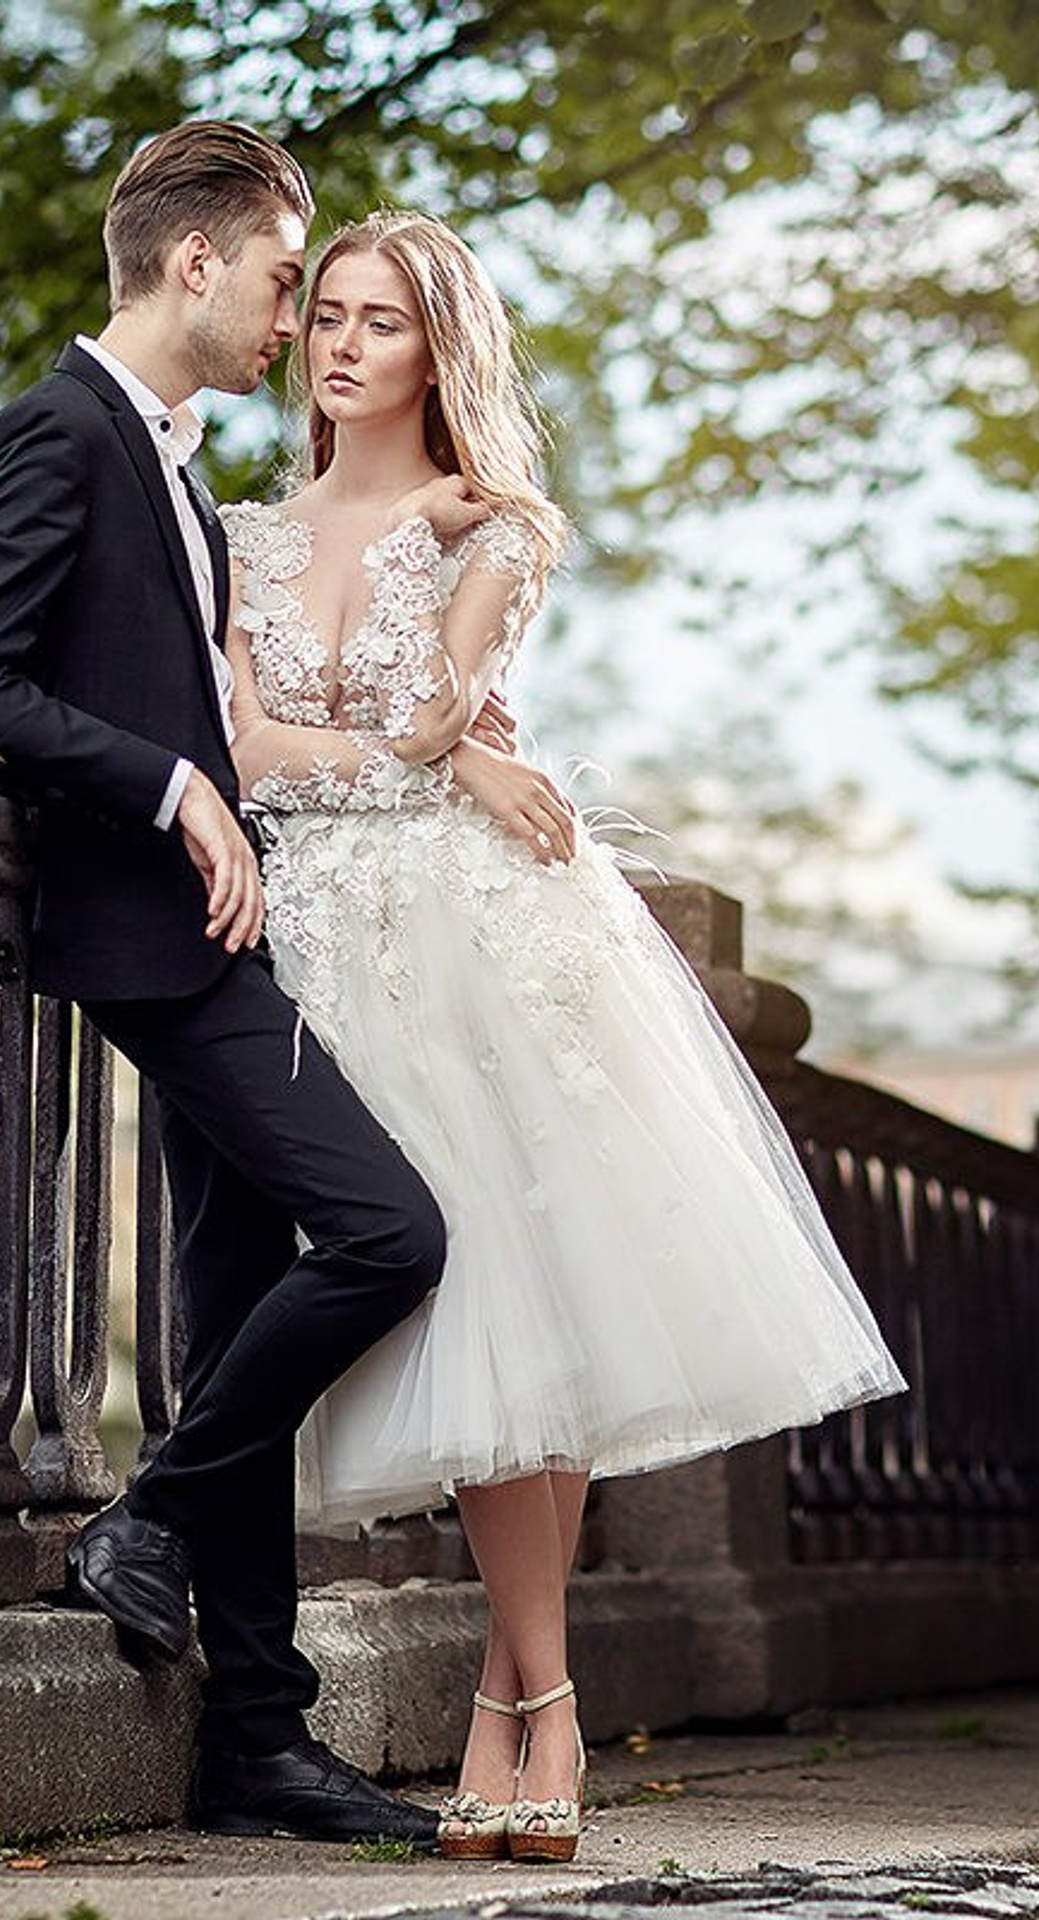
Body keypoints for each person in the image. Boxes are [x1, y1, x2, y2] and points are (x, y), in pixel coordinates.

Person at [219, 208, 907, 1865]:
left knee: (531, 1288)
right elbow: (252, 747)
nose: (341, 344)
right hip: (334, 936)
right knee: (442, 1290)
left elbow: (425, 717)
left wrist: (417, 709)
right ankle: (535, 1689)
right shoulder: (234, 530)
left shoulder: (501, 527)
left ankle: (524, 1697)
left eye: (383, 322)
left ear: (437, 348)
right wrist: (423, 747)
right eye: (327, 313)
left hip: (493, 928)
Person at [0, 122, 496, 1847]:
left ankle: (258, 1737)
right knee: (393, 1235)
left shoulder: (183, 467)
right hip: (154, 938)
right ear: (195, 263)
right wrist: (169, 782)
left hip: (232, 932)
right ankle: (140, 1519)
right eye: (291, 278)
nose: (300, 315)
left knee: (230, 1315)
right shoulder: (59, 435)